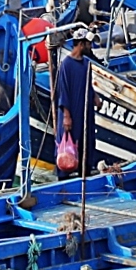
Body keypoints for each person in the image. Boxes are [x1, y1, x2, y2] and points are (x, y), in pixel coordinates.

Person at [53, 33, 97, 178]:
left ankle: (84, 176)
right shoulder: (66, 64)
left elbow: (88, 86)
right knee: (68, 148)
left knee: (85, 144)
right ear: (81, 44)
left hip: (84, 113)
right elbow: (63, 91)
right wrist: (66, 115)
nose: (90, 47)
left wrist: (95, 97)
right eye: (88, 44)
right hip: (71, 112)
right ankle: (64, 181)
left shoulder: (86, 64)